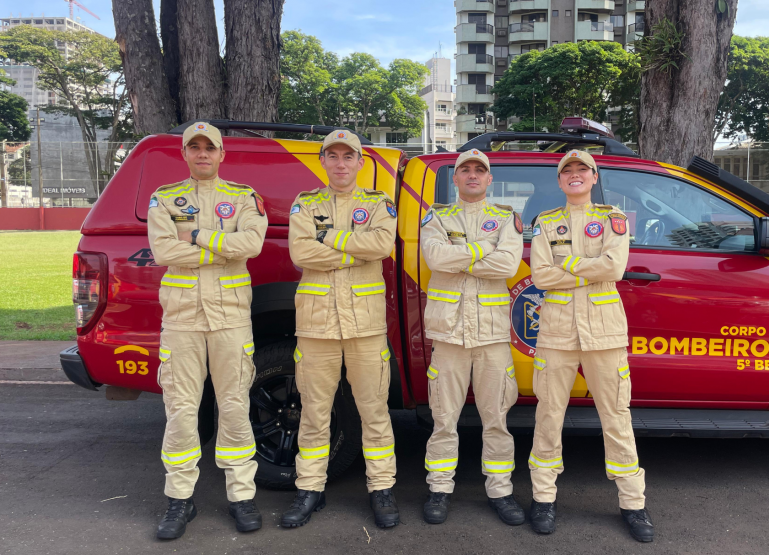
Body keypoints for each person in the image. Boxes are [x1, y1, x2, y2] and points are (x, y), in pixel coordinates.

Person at [147, 122, 268, 540]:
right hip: (181, 320)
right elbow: (164, 251)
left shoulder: (243, 197)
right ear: (185, 154)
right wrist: (222, 247)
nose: (202, 154)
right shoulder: (164, 199)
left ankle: (241, 495)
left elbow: (251, 245)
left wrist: (196, 235)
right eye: (194, 147)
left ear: (221, 153)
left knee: (234, 406)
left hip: (231, 319)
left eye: (209, 148)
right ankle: (180, 499)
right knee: (181, 410)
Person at [527, 150, 654, 542]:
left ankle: (633, 504)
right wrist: (588, 267)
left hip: (604, 334)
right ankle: (543, 498)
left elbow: (614, 268)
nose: (576, 175)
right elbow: (540, 276)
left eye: (583, 170)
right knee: (548, 416)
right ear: (560, 181)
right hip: (557, 334)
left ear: (594, 177)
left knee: (616, 417)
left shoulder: (612, 218)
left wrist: (567, 267)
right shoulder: (545, 223)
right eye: (568, 171)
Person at [283, 129, 400, 529]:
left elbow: (382, 246)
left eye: (348, 156)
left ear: (360, 162)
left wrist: (328, 239)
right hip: (316, 327)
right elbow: (301, 252)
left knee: (374, 412)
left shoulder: (378, 203)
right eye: (332, 156)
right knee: (314, 414)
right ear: (323, 162)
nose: (340, 163)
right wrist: (354, 248)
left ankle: (381, 489)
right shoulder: (305, 202)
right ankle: (309, 490)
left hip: (365, 327)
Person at [419, 149, 525, 525]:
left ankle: (501, 491)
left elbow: (508, 264)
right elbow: (435, 258)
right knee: (443, 417)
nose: (473, 175)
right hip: (448, 335)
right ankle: (439, 488)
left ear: (489, 179)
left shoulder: (505, 218)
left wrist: (459, 253)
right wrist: (483, 248)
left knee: (496, 417)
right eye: (466, 169)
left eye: (480, 170)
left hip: (492, 336)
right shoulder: (437, 215)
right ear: (456, 177)